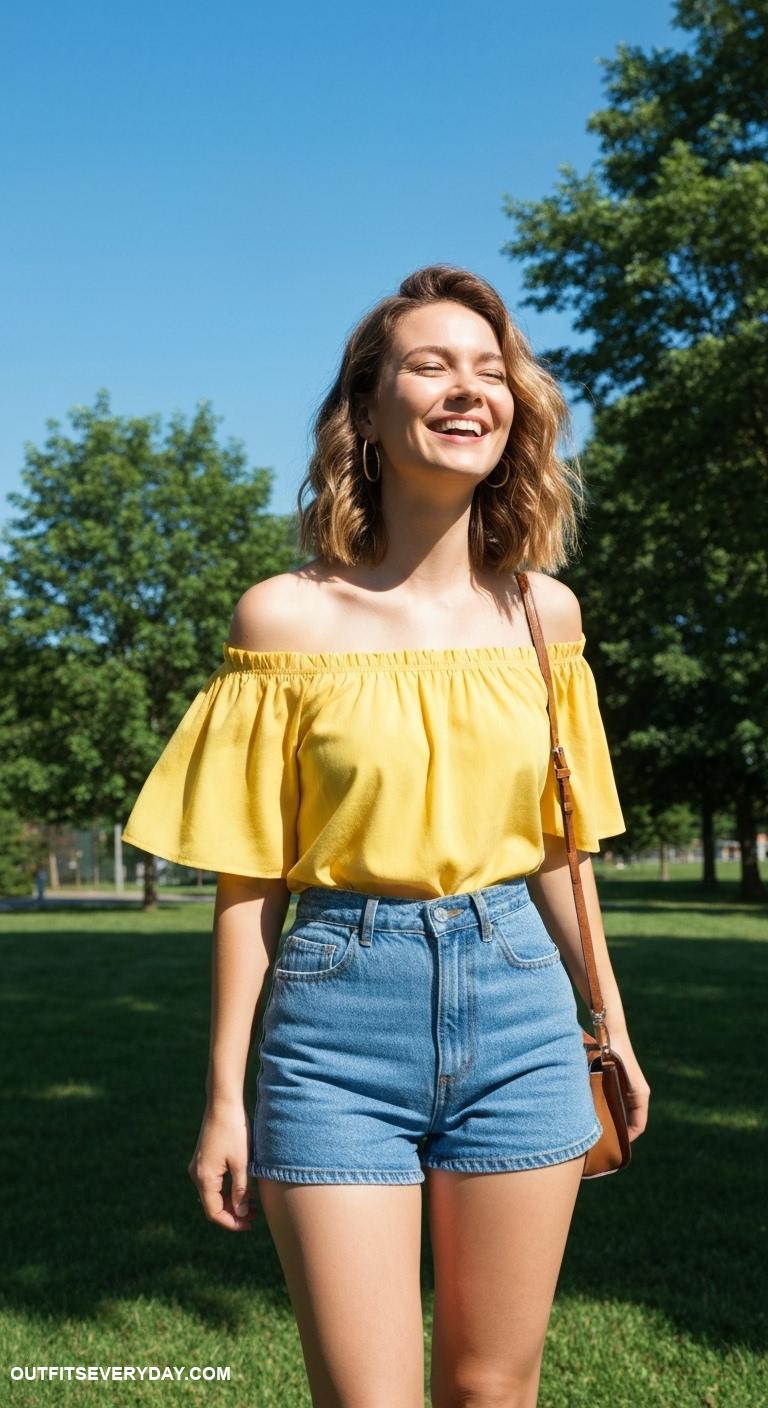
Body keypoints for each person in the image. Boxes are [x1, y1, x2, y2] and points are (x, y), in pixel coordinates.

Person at [122, 264, 650, 1408]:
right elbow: (249, 872)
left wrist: (604, 1019)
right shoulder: (287, 617)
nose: (469, 390)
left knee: (492, 1387)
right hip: (334, 1020)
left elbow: (562, 847)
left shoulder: (542, 615)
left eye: (489, 368)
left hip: (521, 1015)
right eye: (430, 364)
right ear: (366, 408)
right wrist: (225, 1090)